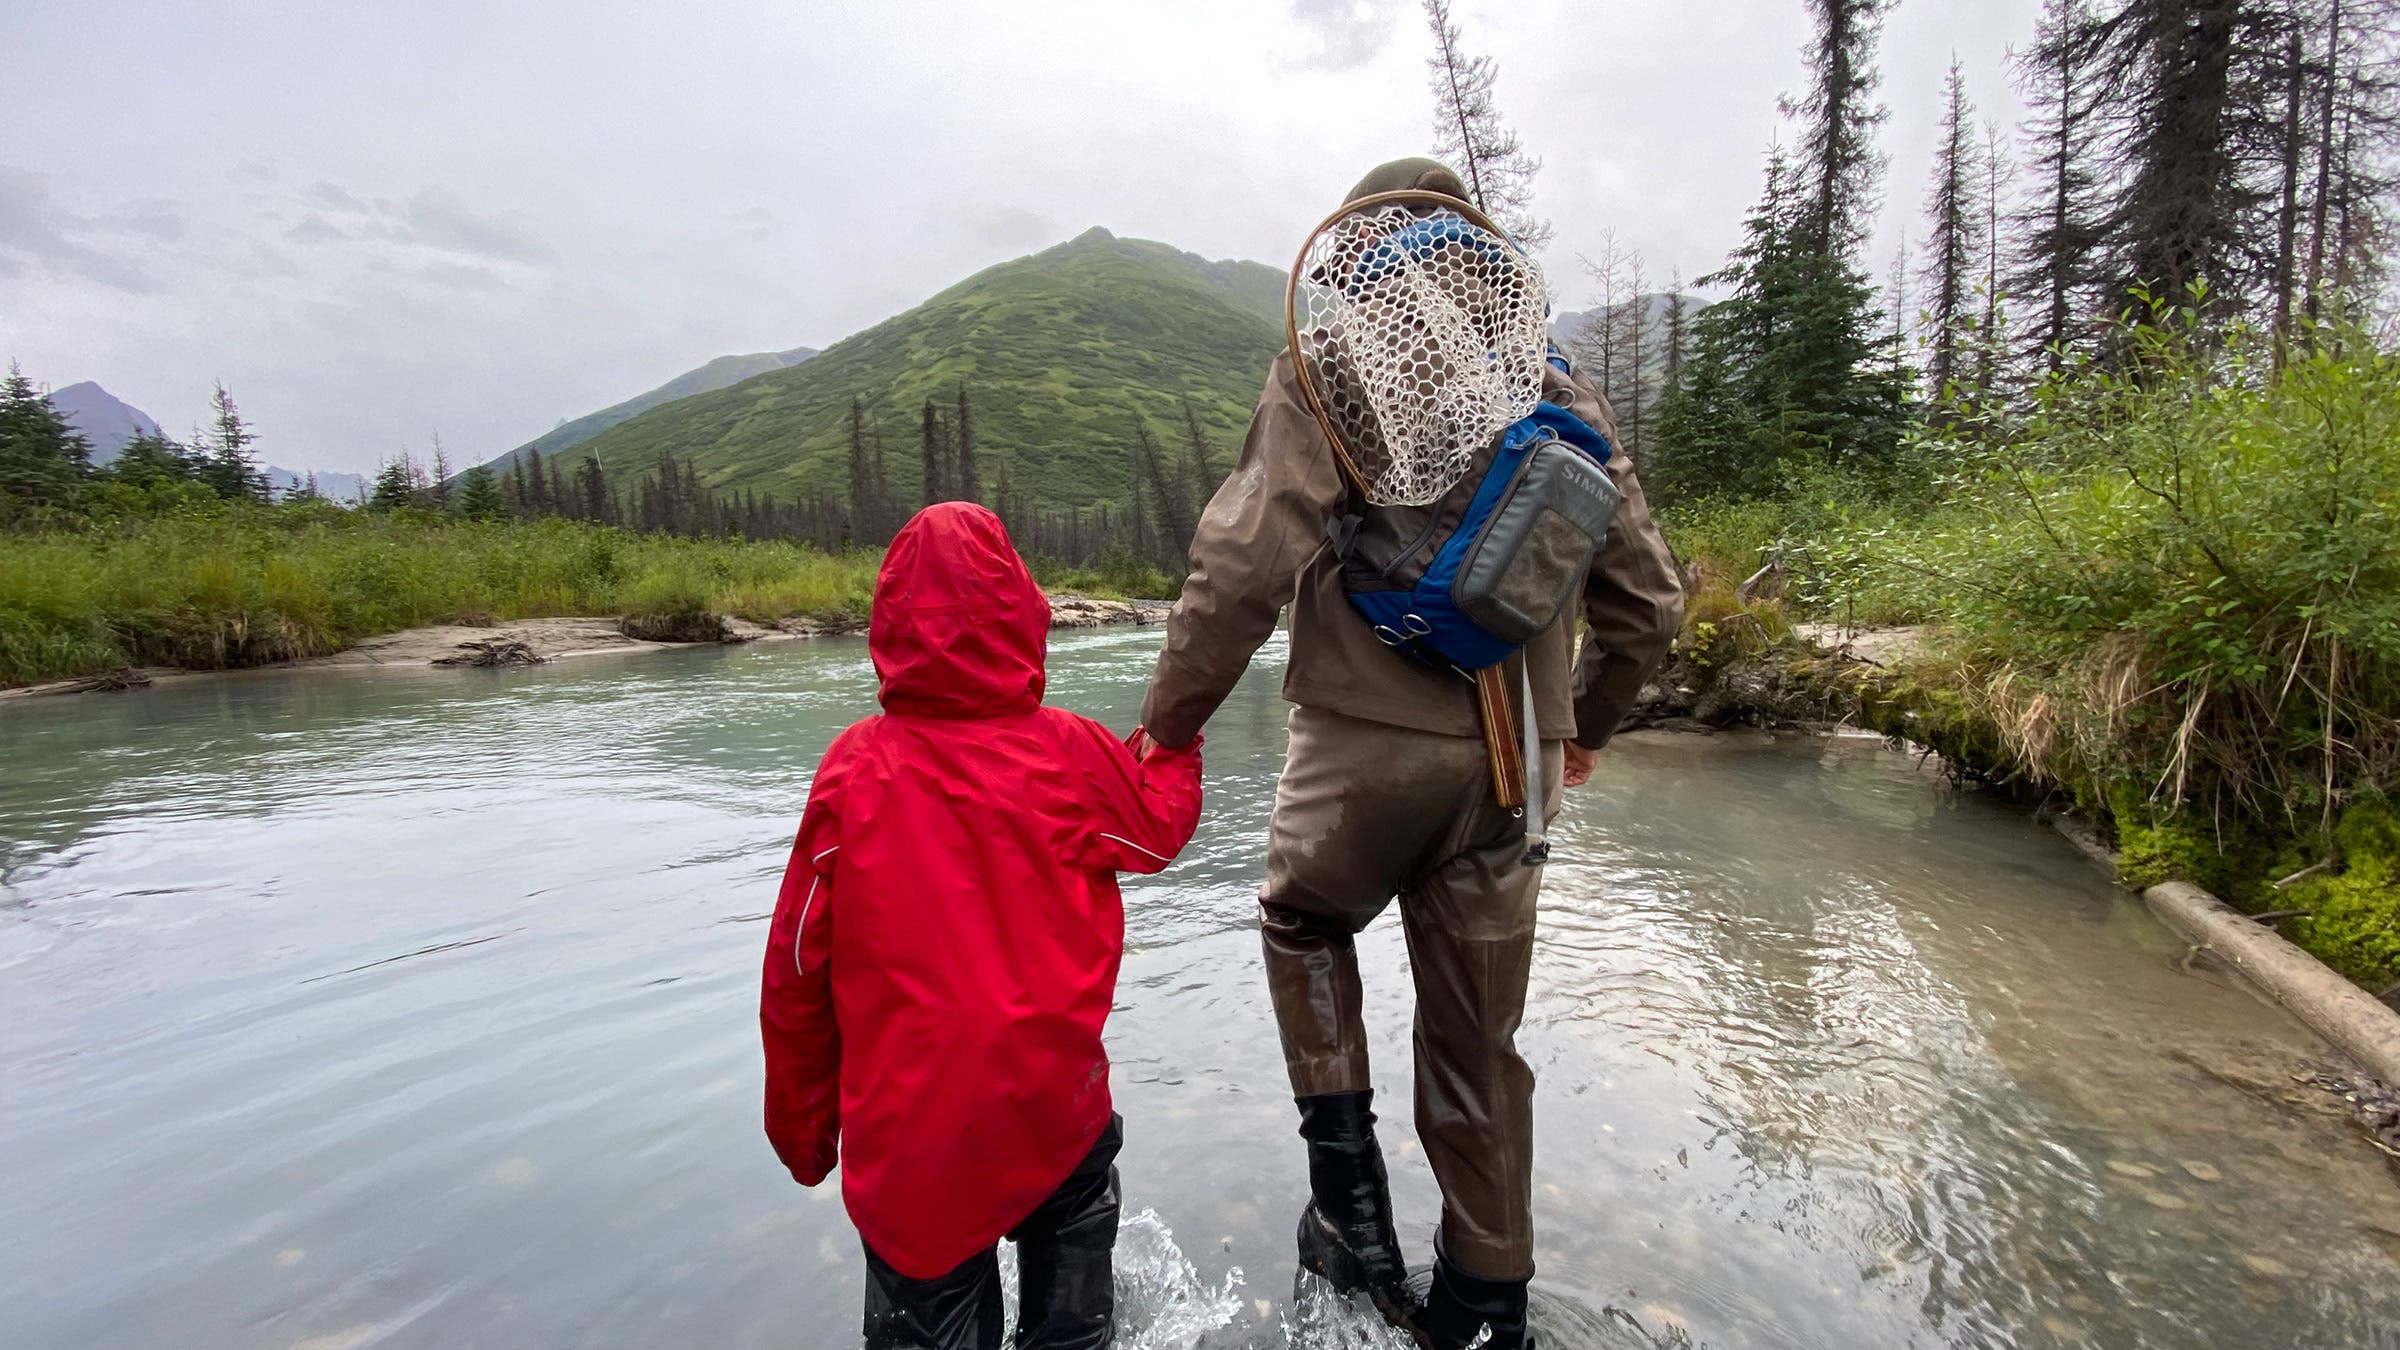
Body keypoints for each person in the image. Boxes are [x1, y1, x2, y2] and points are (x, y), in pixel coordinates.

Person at [1137, 159, 1685, 1349]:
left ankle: (1351, 1214)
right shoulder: (1563, 388)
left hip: (1365, 754)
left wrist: (1168, 725)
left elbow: (1241, 569)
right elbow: (1651, 603)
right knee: (1479, 1039)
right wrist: (1582, 730)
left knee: (1303, 921)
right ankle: (1485, 1306)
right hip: (1513, 774)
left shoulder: (1332, 364)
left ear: (1368, 252)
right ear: (1477, 257)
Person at [760, 502, 1204, 1350]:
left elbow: (794, 973)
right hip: (1057, 1115)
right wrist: (1171, 747)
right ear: (1023, 608)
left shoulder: (852, 772)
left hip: (914, 1153)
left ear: (888, 621)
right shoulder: (1072, 753)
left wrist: (805, 1131)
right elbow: (1156, 829)